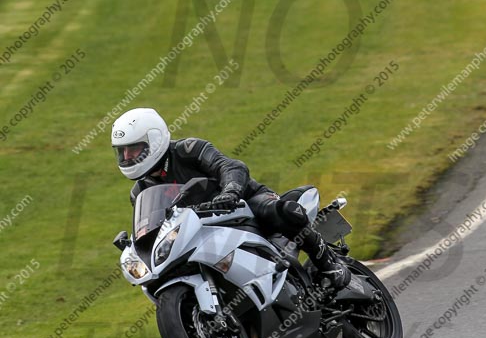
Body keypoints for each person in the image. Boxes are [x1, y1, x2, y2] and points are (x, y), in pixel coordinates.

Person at [111, 107, 350, 291]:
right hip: (201, 231)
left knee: (281, 211)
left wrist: (230, 192)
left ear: (154, 140)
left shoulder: (188, 150)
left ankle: (328, 264)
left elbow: (230, 166)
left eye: (133, 149)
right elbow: (155, 225)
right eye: (122, 151)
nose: (127, 156)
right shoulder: (139, 192)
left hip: (242, 204)